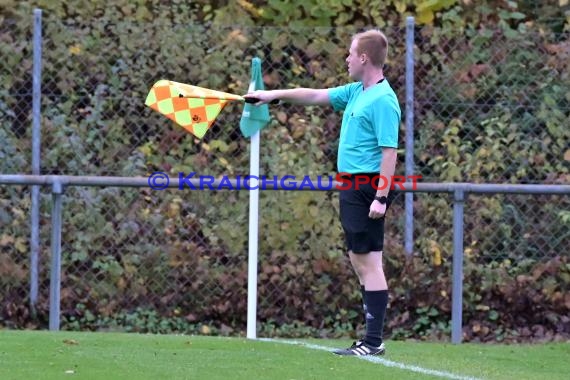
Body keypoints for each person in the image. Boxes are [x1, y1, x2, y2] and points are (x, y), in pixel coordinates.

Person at [244, 29, 401, 356]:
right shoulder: (357, 91)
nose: (346, 58)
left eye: (350, 53)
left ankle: (373, 342)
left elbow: (389, 153)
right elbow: (314, 95)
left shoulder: (383, 100)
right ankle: (371, 339)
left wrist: (381, 197)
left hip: (368, 185)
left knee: (368, 262)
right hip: (352, 185)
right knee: (360, 260)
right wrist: (272, 95)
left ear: (363, 58)